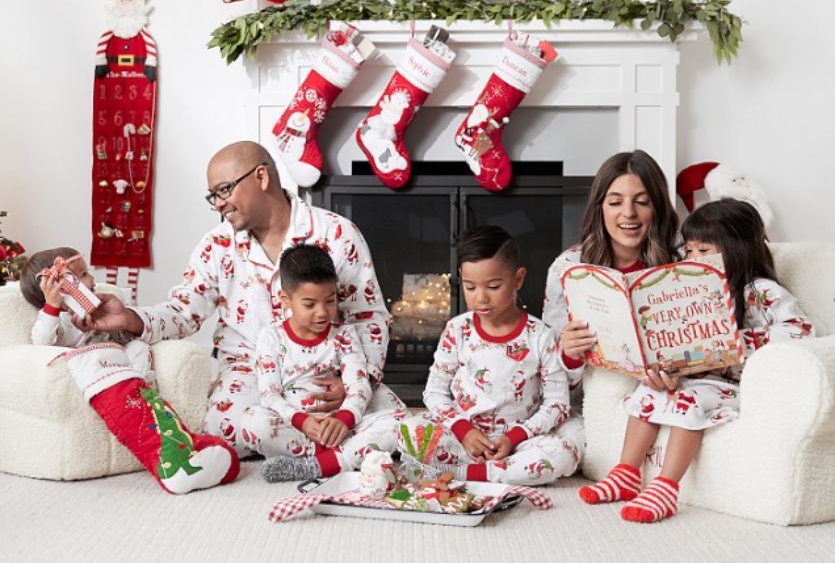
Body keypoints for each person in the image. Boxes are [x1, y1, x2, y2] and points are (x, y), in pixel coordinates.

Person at [79, 140, 403, 456]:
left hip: (327, 367)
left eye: (224, 190)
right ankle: (340, 453)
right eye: (213, 196)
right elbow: (183, 311)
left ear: (261, 177)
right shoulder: (216, 245)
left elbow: (368, 316)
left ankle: (316, 445)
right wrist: (130, 318)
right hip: (250, 371)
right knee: (229, 431)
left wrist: (360, 380)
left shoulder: (337, 233)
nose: (219, 203)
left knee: (400, 425)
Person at [579, 199, 815, 522]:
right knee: (648, 393)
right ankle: (626, 473)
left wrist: (738, 341)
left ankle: (665, 487)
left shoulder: (759, 291)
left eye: (703, 251)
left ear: (738, 248)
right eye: (688, 251)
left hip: (735, 386)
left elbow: (802, 332)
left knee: (689, 399)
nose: (692, 260)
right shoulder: (692, 291)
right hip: (695, 377)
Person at [20, 248, 239, 494]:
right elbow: (41, 340)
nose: (92, 280)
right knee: (133, 401)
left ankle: (177, 441)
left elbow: (123, 336)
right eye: (82, 276)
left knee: (138, 351)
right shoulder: (57, 321)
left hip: (129, 373)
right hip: (102, 376)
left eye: (88, 272)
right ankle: (173, 466)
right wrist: (52, 306)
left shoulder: (95, 311)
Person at [396, 225, 585, 486]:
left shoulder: (541, 336)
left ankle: (470, 474)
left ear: (518, 280)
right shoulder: (457, 330)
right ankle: (494, 470)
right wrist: (464, 431)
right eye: (470, 287)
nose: (481, 298)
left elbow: (557, 403)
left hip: (522, 440)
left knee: (567, 448)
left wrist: (516, 436)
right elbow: (434, 393)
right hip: (466, 438)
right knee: (409, 432)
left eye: (493, 286)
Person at [257, 245, 401, 481]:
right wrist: (301, 421)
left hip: (341, 422)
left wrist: (344, 418)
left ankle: (321, 464)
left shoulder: (344, 334)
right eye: (310, 305)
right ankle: (342, 454)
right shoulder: (271, 337)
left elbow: (359, 385)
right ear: (285, 299)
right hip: (298, 424)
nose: (323, 312)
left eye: (330, 301)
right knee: (254, 423)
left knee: (399, 420)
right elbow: (269, 394)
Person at [543, 150, 680, 395]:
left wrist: (678, 375)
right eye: (615, 202)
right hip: (597, 395)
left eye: (642, 201)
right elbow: (553, 379)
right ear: (600, 208)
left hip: (660, 393)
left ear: (657, 208)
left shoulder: (681, 263)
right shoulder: (568, 268)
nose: (628, 213)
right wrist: (570, 354)